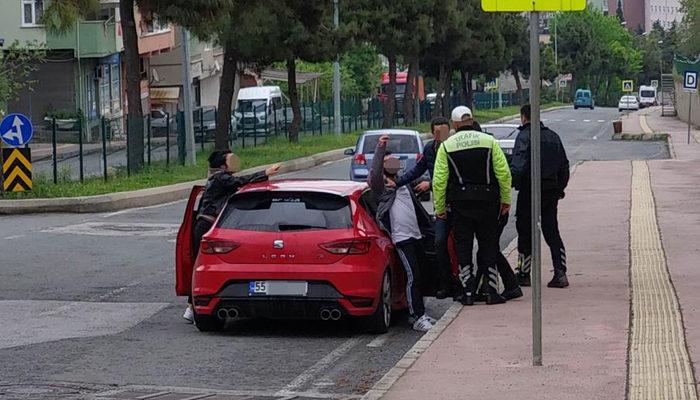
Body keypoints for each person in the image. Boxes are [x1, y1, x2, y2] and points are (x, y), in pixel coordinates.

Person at [183, 150, 281, 323]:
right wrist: (265, 173)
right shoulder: (220, 177)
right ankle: (193, 305)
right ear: (222, 165)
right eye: (231, 160)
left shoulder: (218, 178)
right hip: (206, 224)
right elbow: (240, 181)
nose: (235, 162)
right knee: (201, 264)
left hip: (208, 224)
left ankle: (194, 305)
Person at [432, 106, 512, 306]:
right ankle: (492, 291)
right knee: (488, 245)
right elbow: (503, 174)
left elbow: (439, 181)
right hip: (488, 202)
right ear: (472, 120)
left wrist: (439, 208)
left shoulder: (447, 146)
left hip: (460, 205)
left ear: (455, 124)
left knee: (463, 248)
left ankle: (468, 292)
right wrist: (505, 200)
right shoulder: (489, 141)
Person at [369, 134, 436, 331]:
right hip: (401, 238)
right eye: (388, 161)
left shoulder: (402, 183)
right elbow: (374, 174)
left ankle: (419, 312)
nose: (394, 163)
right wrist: (380, 148)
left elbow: (420, 175)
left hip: (415, 236)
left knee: (420, 275)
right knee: (413, 275)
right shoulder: (382, 189)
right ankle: (417, 317)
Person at [394, 117, 455, 299]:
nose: (440, 135)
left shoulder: (454, 147)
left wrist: (430, 184)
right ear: (432, 132)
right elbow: (417, 170)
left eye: (443, 131)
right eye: (437, 132)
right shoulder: (430, 149)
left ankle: (464, 283)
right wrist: (397, 182)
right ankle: (445, 283)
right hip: (441, 208)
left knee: (461, 246)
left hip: (457, 204)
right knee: (439, 244)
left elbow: (455, 176)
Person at [510, 104, 570, 288]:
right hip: (550, 191)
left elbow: (519, 166)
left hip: (529, 190)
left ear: (523, 117)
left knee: (525, 231)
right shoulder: (553, 137)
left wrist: (513, 183)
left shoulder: (524, 136)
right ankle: (560, 273)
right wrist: (559, 189)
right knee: (552, 231)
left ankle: (524, 272)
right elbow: (564, 167)